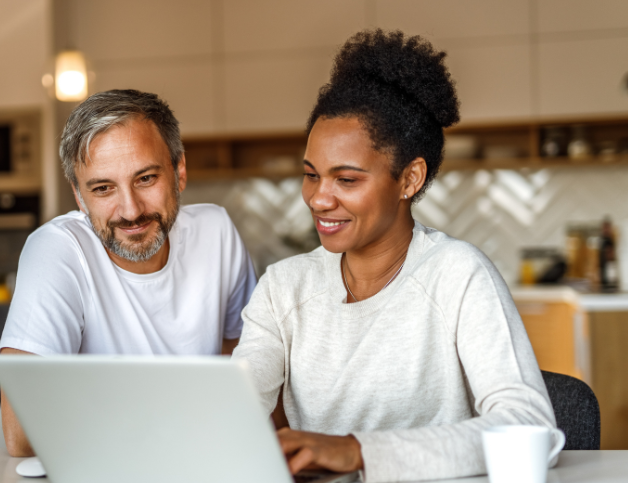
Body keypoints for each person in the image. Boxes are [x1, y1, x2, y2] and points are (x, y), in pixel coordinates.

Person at [232, 30, 557, 482]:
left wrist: (358, 451)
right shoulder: (284, 288)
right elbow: (235, 410)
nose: (319, 199)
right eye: (311, 175)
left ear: (409, 179)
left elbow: (530, 424)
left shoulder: (457, 274)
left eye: (346, 180)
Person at [0, 89, 257, 456]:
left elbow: (249, 366)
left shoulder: (216, 231)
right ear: (78, 196)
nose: (131, 210)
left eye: (146, 179)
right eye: (103, 188)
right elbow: (22, 435)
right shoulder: (56, 250)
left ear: (179, 171)